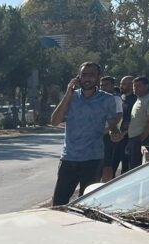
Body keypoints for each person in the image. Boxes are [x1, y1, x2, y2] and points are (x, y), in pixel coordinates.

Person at [50, 62, 122, 206]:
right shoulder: (70, 98)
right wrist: (68, 94)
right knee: (58, 203)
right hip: (69, 158)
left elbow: (113, 125)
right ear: (78, 77)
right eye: (84, 75)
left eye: (91, 75)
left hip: (93, 159)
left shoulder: (107, 99)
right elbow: (54, 121)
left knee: (87, 204)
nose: (87, 78)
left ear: (98, 77)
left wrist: (115, 132)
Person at [126, 76, 149, 169]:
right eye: (134, 86)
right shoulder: (138, 100)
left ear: (146, 86)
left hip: (142, 138)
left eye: (138, 86)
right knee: (132, 166)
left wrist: (141, 139)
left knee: (137, 168)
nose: (135, 88)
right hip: (133, 138)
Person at [97, 77, 124, 182]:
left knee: (107, 163)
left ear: (113, 85)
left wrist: (108, 129)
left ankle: (106, 184)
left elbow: (119, 115)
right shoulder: (101, 98)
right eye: (101, 85)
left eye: (106, 85)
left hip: (109, 134)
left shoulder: (115, 98)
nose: (103, 87)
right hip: (100, 133)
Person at [112, 75, 137, 176]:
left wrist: (125, 133)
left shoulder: (136, 100)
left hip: (129, 139)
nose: (121, 86)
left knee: (127, 169)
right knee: (112, 166)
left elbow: (137, 121)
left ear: (132, 85)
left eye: (124, 84)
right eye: (121, 83)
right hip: (116, 138)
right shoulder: (121, 98)